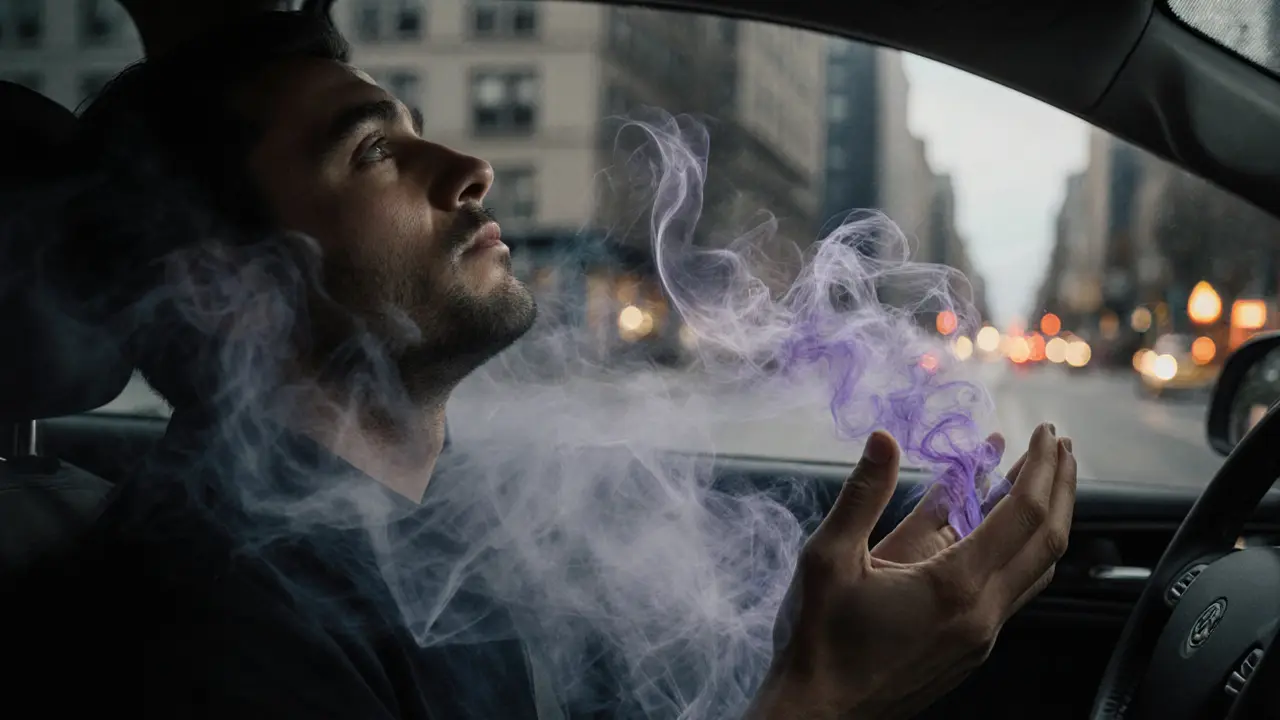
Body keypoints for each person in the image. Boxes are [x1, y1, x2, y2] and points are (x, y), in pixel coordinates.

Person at [16, 11, 1077, 719]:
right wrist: (824, 697)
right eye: (373, 149)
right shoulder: (205, 623)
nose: (470, 169)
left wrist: (797, 644)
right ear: (217, 284)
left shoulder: (462, 525)